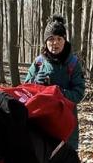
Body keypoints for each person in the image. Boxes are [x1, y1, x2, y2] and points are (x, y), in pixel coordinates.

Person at [22, 15, 86, 152]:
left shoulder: (73, 64)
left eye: (59, 39)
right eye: (51, 39)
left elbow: (79, 93)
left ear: (64, 40)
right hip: (42, 120)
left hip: (66, 121)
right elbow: (25, 88)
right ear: (45, 42)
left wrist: (58, 92)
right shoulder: (39, 62)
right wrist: (36, 83)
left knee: (65, 160)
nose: (55, 43)